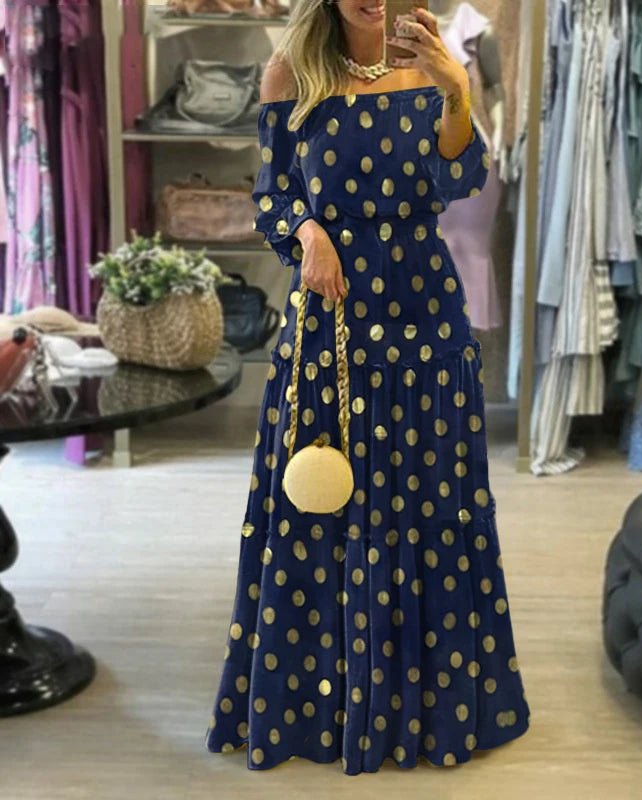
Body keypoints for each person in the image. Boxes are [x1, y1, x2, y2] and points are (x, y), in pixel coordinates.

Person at [204, 0, 530, 775]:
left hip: (424, 316)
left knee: (429, 506)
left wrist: (456, 89)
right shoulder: (290, 71)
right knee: (317, 500)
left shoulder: (435, 67)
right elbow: (272, 193)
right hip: (330, 317)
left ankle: (427, 707)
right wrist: (308, 230)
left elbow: (459, 178)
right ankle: (317, 705)